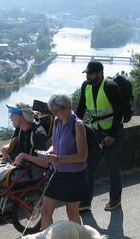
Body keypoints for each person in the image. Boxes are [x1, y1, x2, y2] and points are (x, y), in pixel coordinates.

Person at [18, 92, 88, 229]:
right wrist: (48, 152)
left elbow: (82, 156)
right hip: (55, 172)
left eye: (56, 111)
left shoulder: (78, 125)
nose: (54, 114)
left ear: (67, 107)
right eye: (52, 111)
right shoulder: (57, 121)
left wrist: (58, 158)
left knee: (72, 212)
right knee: (45, 211)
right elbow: (55, 145)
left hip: (74, 176)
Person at [76, 60, 124, 212]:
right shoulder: (85, 86)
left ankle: (115, 199)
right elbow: (80, 110)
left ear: (100, 73)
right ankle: (85, 202)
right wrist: (72, 127)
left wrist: (112, 135)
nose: (88, 76)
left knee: (113, 168)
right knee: (88, 167)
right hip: (95, 132)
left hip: (112, 133)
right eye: (87, 73)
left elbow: (119, 112)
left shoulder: (110, 86)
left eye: (90, 73)